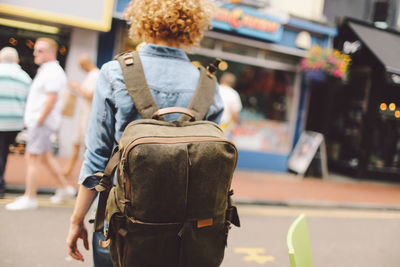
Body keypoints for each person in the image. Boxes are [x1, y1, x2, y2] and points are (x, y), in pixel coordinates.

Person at [66, 0, 224, 265]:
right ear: (194, 24)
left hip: (124, 226)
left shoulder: (115, 72)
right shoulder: (207, 83)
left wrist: (77, 219)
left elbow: (97, 156)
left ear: (141, 19)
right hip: (187, 234)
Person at [6, 38, 76, 210]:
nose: (35, 53)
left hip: (42, 122)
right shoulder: (49, 70)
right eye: (36, 50)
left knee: (33, 158)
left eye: (40, 50)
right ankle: (65, 188)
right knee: (44, 157)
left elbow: (51, 100)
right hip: (42, 121)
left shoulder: (52, 72)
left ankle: (30, 197)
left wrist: (38, 120)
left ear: (51, 52)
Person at [0, 47, 32, 199]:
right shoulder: (24, 77)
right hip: (13, 122)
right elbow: (29, 101)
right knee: (3, 152)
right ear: (17, 61)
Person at [63, 53, 100, 178]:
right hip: (84, 115)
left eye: (80, 66)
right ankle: (68, 171)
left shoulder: (96, 75)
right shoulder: (91, 75)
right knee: (77, 143)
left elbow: (91, 95)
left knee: (86, 146)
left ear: (85, 64)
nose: (80, 68)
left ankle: (85, 173)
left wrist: (77, 88)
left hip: (89, 116)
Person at [219, 72, 242, 137]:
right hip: (223, 126)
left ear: (221, 80)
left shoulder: (215, 88)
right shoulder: (233, 94)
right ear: (233, 84)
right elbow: (235, 113)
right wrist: (236, 125)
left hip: (209, 123)